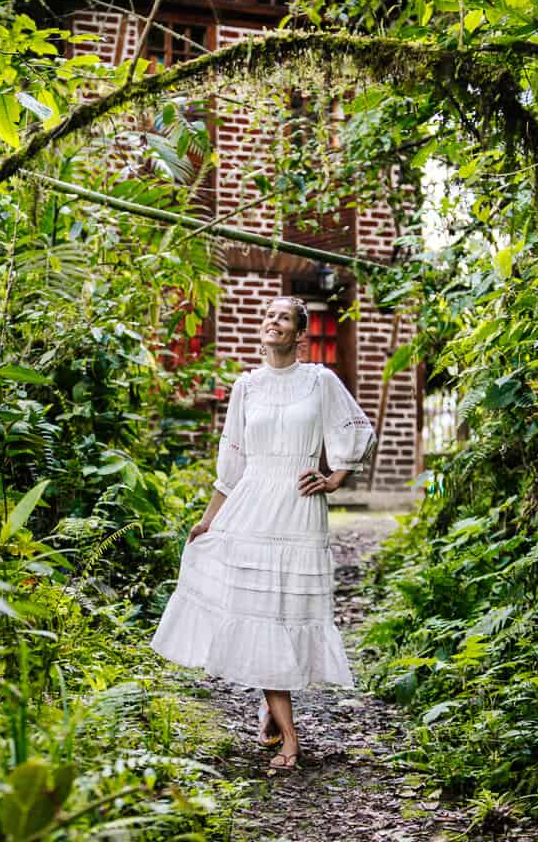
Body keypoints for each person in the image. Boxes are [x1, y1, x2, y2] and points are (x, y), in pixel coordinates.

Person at [151, 296, 376, 769]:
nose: (272, 321)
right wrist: (210, 519)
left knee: (285, 612)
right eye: (268, 315)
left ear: (299, 335)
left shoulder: (320, 382)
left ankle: (273, 711)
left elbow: (356, 429)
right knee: (259, 611)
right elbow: (232, 464)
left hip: (297, 508)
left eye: (284, 318)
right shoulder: (246, 386)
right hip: (252, 506)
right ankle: (290, 736)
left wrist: (335, 476)